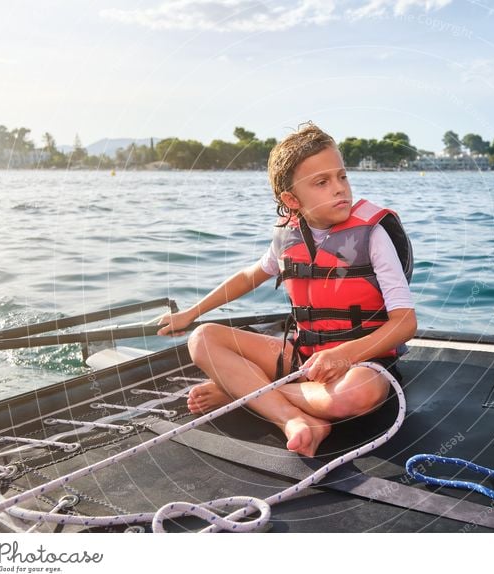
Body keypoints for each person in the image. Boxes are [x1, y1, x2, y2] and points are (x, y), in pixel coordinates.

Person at [157, 123, 416, 457]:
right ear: (292, 199)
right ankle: (292, 419)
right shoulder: (287, 235)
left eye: (342, 176)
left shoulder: (373, 235)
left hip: (363, 363)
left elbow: (405, 324)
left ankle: (242, 393)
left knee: (357, 395)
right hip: (301, 358)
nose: (339, 189)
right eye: (322, 182)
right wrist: (192, 314)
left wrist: (345, 355)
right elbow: (249, 276)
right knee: (203, 338)